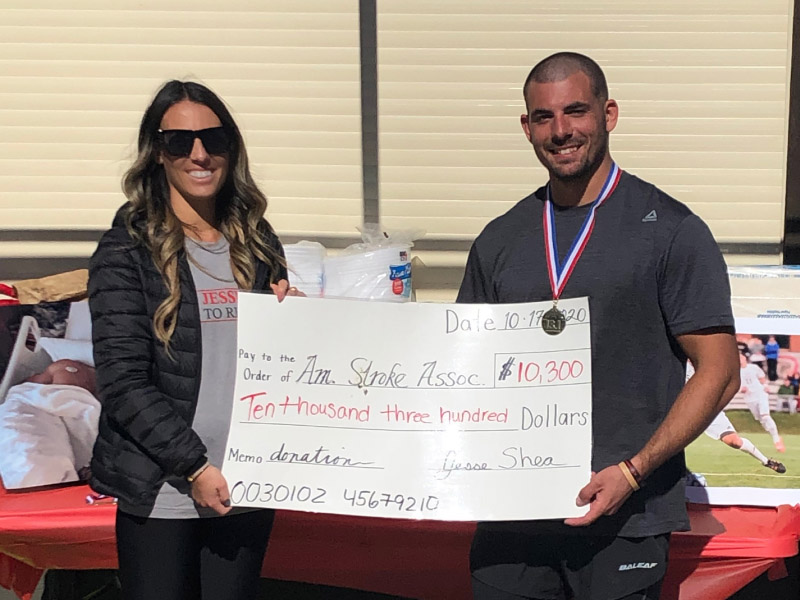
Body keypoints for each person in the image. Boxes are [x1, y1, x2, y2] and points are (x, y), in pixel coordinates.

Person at [457, 52, 740, 600]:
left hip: (625, 515)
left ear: (608, 113)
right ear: (526, 127)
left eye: (576, 111)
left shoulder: (672, 231)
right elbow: (463, 369)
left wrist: (634, 472)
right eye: (544, 117)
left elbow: (720, 373)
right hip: (513, 515)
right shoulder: (499, 239)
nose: (561, 131)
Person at [88, 80, 301, 600]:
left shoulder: (257, 238)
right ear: (157, 153)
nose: (199, 154)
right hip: (164, 492)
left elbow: (272, 361)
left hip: (247, 483)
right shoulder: (125, 250)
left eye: (214, 139)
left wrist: (293, 318)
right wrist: (195, 466)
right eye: (180, 142)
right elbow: (123, 382)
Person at [687, 362, 785, 474]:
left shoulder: (701, 362)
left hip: (707, 409)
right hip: (680, 410)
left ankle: (766, 461)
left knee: (734, 441)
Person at [740, 352, 785, 452]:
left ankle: (776, 439)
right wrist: (742, 389)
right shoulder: (737, 372)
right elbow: (738, 385)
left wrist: (765, 386)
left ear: (745, 358)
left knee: (765, 415)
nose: (740, 359)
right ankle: (773, 433)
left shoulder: (753, 367)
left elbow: (762, 378)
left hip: (760, 394)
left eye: (741, 357)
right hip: (749, 398)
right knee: (761, 420)